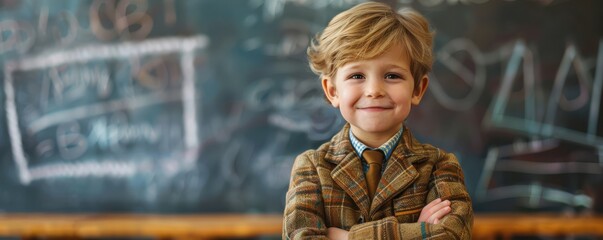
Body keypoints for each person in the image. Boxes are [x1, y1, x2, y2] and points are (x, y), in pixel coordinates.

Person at [282, 1, 473, 239]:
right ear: (332, 91)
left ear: (418, 89)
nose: (374, 90)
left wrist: (346, 237)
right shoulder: (311, 167)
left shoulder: (440, 166)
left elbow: (451, 235)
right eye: (357, 75)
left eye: (392, 75)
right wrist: (419, 231)